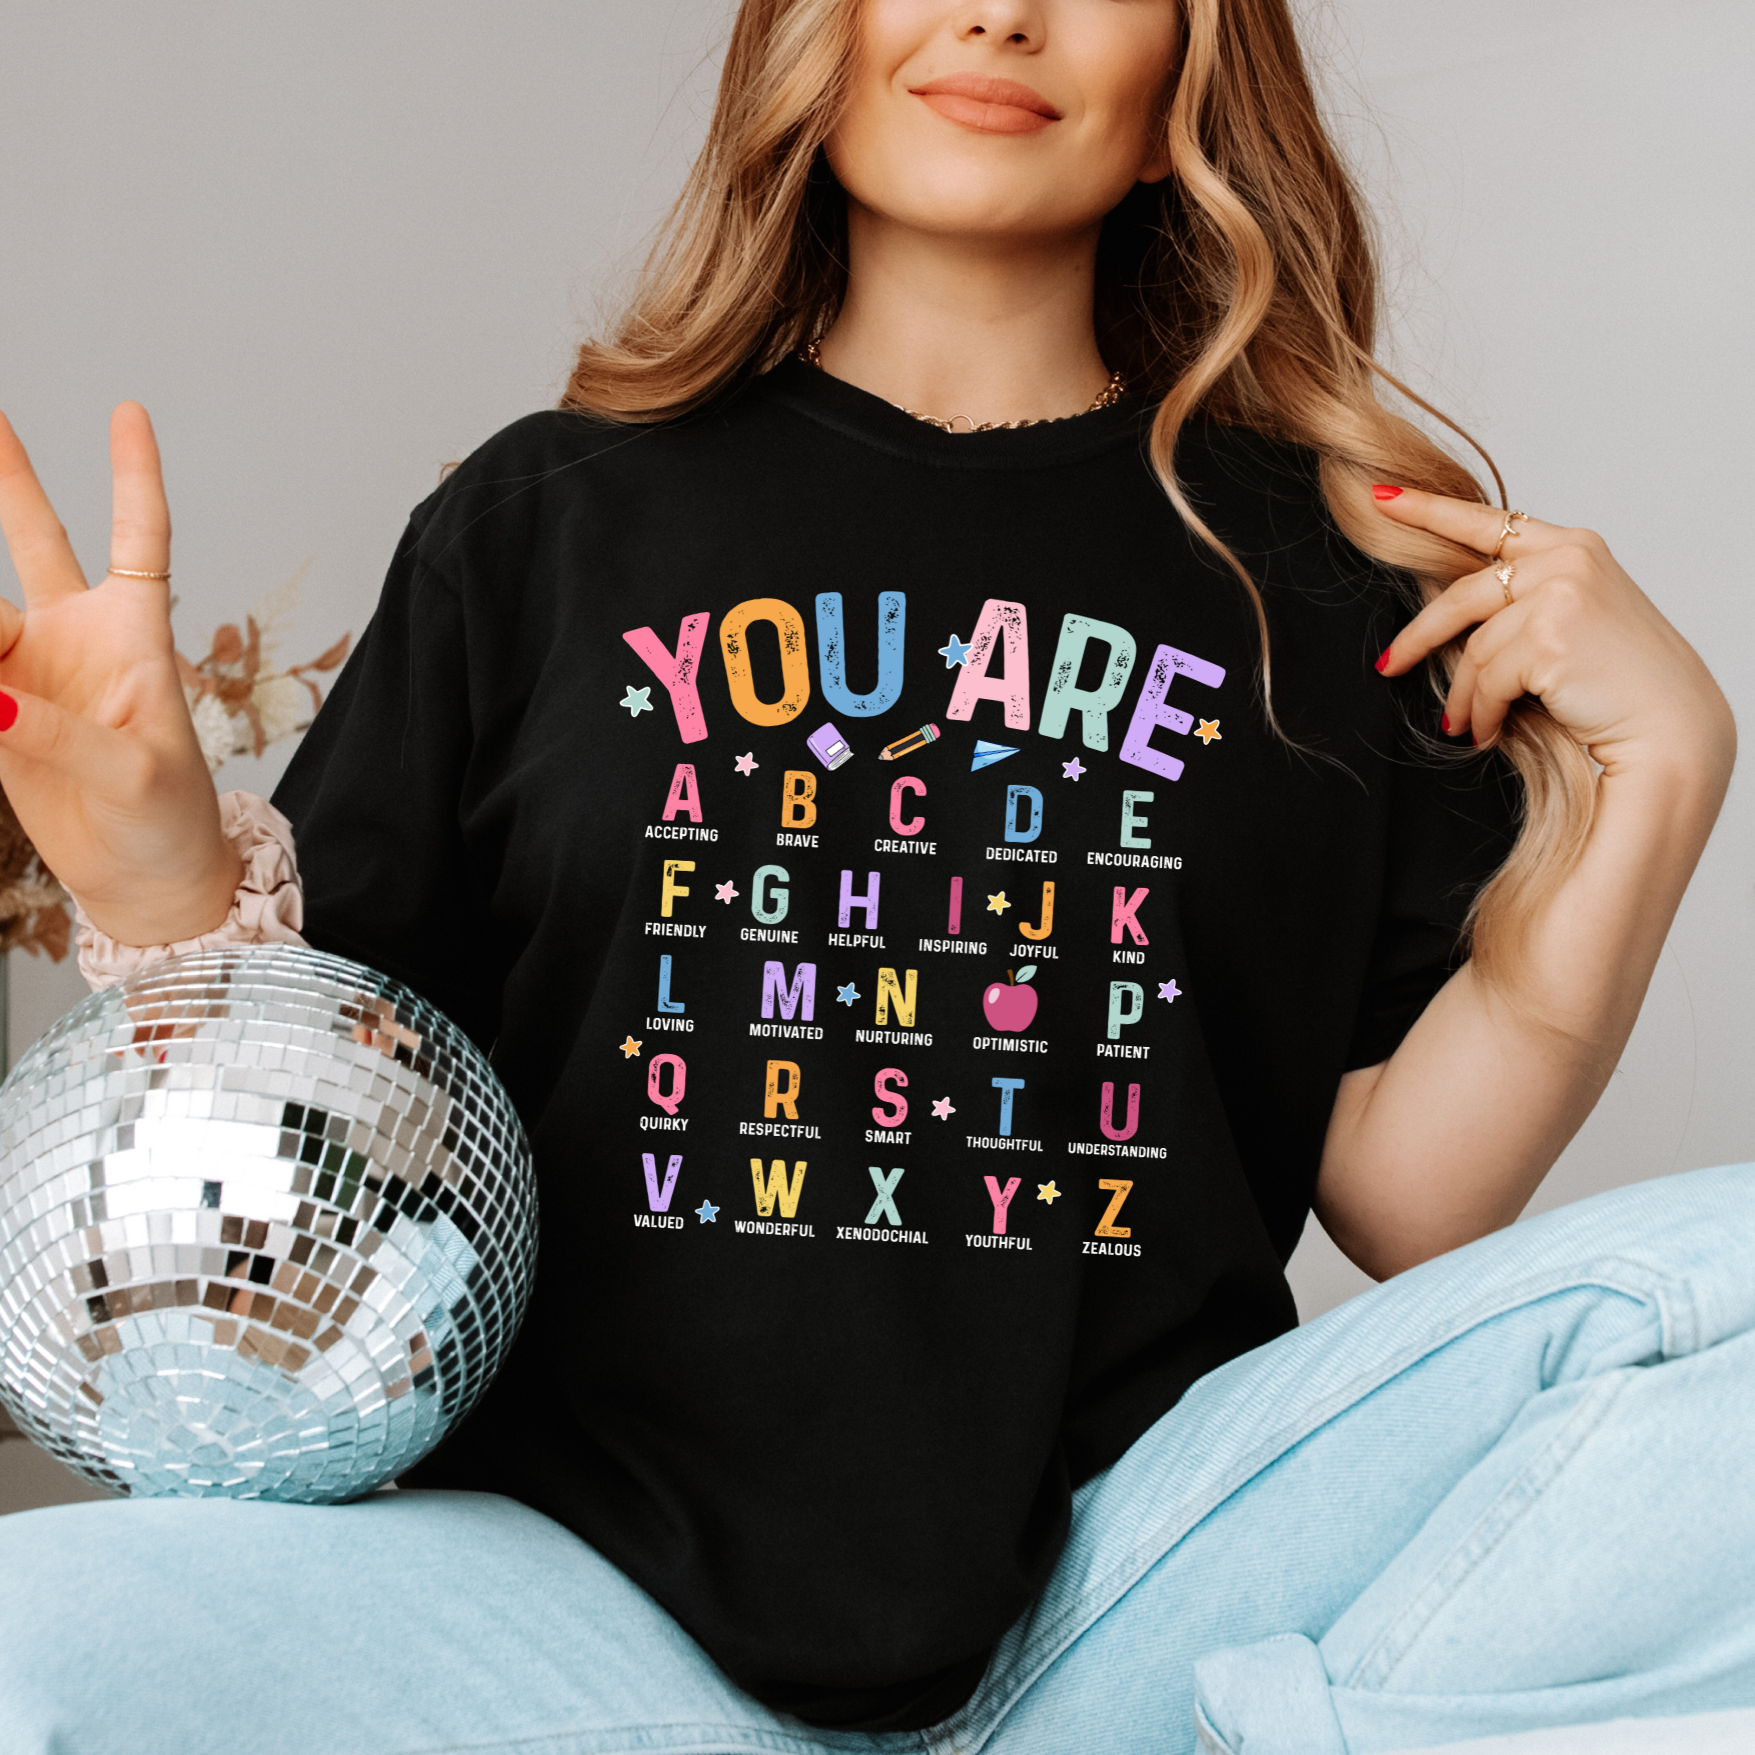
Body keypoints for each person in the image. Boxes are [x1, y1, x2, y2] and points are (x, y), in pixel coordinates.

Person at [0, 1, 1747, 1750]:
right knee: (31, 1633)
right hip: (571, 1605)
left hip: (1138, 1591)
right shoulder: (550, 523)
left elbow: (1409, 1200)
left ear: (1182, 94)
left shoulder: (1316, 568)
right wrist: (166, 892)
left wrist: (1666, 774)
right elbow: (341, 1201)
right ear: (809, 38)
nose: (999, 11)